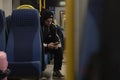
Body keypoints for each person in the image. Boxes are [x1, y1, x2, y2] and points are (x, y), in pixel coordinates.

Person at [40, 9, 64, 78]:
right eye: (47, 21)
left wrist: (56, 44)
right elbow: (37, 42)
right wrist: (47, 45)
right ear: (43, 20)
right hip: (41, 46)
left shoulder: (52, 27)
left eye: (50, 21)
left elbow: (56, 39)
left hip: (49, 46)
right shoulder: (39, 27)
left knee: (59, 49)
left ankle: (56, 71)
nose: (49, 23)